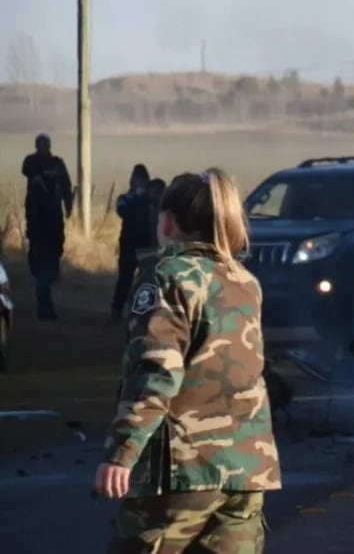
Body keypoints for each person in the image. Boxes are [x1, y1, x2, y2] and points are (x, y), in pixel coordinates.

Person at [98, 168, 281, 552]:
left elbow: (155, 371)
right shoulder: (244, 280)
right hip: (248, 469)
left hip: (183, 470)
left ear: (167, 221)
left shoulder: (166, 277)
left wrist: (122, 453)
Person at [20, 133, 74, 320]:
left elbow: (66, 186)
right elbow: (26, 170)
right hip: (37, 220)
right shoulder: (31, 162)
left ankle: (45, 286)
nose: (43, 148)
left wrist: (68, 206)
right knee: (41, 265)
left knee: (52, 258)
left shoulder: (57, 164)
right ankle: (45, 309)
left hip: (53, 220)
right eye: (40, 145)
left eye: (45, 145)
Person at [109, 164, 154, 324]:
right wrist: (138, 199)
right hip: (129, 244)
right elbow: (122, 212)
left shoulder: (151, 200)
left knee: (147, 281)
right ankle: (116, 312)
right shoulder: (125, 199)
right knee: (125, 280)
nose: (139, 183)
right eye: (137, 180)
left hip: (147, 245)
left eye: (143, 180)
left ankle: (144, 314)